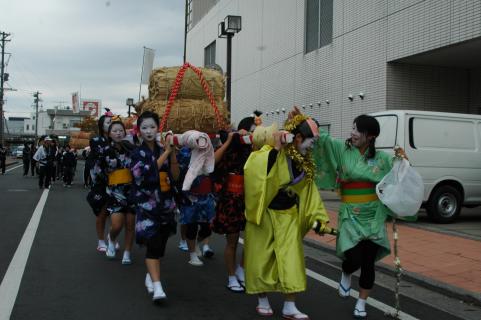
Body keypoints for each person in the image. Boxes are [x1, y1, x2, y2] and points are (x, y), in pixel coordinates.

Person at [312, 112, 402, 319]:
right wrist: (306, 122)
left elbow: (399, 175)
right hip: (350, 213)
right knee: (353, 258)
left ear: (370, 136)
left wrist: (403, 162)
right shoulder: (342, 150)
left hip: (374, 214)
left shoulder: (383, 158)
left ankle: (361, 302)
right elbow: (322, 139)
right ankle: (346, 271)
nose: (353, 133)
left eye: (357, 130)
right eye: (352, 128)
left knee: (368, 261)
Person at [243, 115, 330, 319]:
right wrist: (276, 149)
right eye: (311, 141)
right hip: (265, 215)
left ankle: (290, 305)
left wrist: (319, 218)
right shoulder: (270, 153)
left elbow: (310, 193)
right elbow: (254, 167)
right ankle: (262, 299)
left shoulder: (304, 163)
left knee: (292, 260)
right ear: (298, 138)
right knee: (261, 257)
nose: (312, 147)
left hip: (289, 216)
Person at [130, 111, 179, 301]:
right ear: (139, 131)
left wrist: (172, 153)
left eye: (152, 127)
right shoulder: (137, 153)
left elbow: (175, 176)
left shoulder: (163, 148)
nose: (149, 131)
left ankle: (151, 274)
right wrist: (166, 152)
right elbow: (143, 175)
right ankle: (158, 288)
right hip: (147, 205)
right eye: (144, 128)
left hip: (166, 204)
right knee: (153, 243)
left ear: (158, 128)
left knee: (160, 247)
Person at [212, 114, 259, 293]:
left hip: (250, 199)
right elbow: (213, 162)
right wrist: (229, 140)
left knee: (252, 241)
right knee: (232, 241)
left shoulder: (258, 151)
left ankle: (241, 269)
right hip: (231, 199)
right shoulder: (230, 145)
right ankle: (231, 276)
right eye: (252, 132)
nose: (254, 136)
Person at [175, 136, 215, 267]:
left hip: (206, 195)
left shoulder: (209, 150)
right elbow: (181, 172)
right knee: (191, 226)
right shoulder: (184, 152)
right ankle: (192, 255)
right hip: (190, 195)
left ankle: (197, 243)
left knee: (208, 228)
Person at [103, 119, 136, 264]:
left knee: (130, 224)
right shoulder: (106, 150)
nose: (118, 133)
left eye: (120, 130)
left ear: (125, 132)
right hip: (115, 190)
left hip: (132, 189)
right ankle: (111, 238)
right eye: (115, 131)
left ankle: (127, 252)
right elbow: (98, 170)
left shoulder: (131, 147)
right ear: (109, 134)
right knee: (117, 224)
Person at [86, 110, 113, 252]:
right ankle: (101, 240)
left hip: (118, 181)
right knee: (102, 212)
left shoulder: (118, 140)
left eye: (112, 123)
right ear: (101, 125)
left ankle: (111, 237)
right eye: (108, 123)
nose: (110, 125)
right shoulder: (96, 141)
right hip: (102, 181)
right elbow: (97, 161)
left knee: (116, 213)